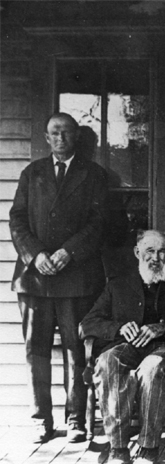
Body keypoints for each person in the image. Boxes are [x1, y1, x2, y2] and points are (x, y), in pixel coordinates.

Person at [9, 112, 108, 444]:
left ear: (76, 136)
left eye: (67, 132)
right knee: (36, 350)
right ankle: (41, 419)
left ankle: (76, 419)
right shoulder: (31, 172)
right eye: (55, 132)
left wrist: (69, 252)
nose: (61, 137)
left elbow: (99, 222)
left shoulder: (93, 175)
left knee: (75, 349)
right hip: (35, 277)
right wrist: (35, 255)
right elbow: (17, 220)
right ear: (46, 137)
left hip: (76, 276)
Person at [79, 230, 165, 464]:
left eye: (161, 252)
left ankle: (148, 448)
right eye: (149, 251)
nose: (155, 257)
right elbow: (87, 324)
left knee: (151, 367)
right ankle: (118, 449)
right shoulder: (118, 284)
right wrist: (118, 327)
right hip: (128, 347)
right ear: (137, 252)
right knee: (107, 361)